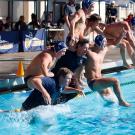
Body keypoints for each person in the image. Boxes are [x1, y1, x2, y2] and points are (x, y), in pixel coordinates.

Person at [85, 35, 131, 107]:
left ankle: (106, 117)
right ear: (97, 44)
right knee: (115, 81)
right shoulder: (89, 52)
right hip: (93, 82)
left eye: (105, 43)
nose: (104, 45)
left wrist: (124, 61)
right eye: (103, 44)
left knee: (112, 100)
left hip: (100, 80)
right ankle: (121, 101)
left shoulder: (104, 49)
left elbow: (119, 44)